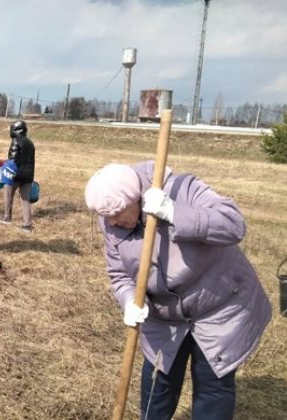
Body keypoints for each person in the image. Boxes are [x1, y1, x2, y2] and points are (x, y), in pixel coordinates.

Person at [84, 161, 272, 420]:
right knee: (157, 385)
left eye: (117, 213)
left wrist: (174, 212)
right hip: (164, 316)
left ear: (136, 198)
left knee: (212, 386)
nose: (113, 221)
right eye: (107, 216)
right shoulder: (111, 223)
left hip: (218, 307)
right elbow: (119, 275)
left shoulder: (183, 189)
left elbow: (234, 224)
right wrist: (128, 300)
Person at [0, 120, 35, 232]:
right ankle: (27, 225)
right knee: (25, 200)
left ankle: (7, 217)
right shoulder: (30, 142)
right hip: (28, 176)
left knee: (8, 194)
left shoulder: (16, 141)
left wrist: (6, 172)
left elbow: (13, 160)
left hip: (15, 175)